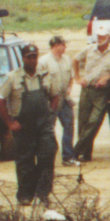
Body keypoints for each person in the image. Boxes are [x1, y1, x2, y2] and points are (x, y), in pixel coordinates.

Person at [0, 44, 56, 205]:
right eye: (28, 57)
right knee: (25, 160)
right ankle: (25, 195)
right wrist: (9, 122)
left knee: (47, 154)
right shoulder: (13, 77)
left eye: (34, 56)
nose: (32, 60)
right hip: (22, 126)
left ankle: (43, 193)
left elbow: (55, 95)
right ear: (23, 58)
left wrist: (51, 116)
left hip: (43, 125)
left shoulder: (44, 75)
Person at [72, 24, 110, 162]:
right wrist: (77, 77)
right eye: (99, 36)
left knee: (94, 122)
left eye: (103, 36)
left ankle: (75, 151)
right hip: (87, 89)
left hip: (102, 91)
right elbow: (75, 59)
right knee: (83, 123)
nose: (100, 39)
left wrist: (106, 78)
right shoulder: (89, 49)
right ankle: (86, 154)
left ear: (109, 37)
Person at [39, 36, 77, 166]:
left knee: (69, 125)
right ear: (55, 46)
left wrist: (69, 89)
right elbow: (41, 82)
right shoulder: (43, 61)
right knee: (49, 128)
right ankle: (47, 157)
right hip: (50, 100)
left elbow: (71, 77)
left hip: (64, 98)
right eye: (62, 45)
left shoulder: (67, 59)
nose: (65, 47)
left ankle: (68, 157)